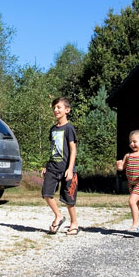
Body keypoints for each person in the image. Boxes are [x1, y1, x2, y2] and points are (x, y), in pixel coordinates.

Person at [40, 96, 79, 235]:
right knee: (46, 193)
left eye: (59, 107)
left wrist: (70, 168)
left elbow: (73, 149)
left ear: (67, 110)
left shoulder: (69, 128)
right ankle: (59, 216)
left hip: (66, 169)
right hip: (53, 167)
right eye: (54, 107)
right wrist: (46, 165)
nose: (56, 110)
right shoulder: (53, 129)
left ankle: (74, 223)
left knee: (69, 199)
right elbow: (53, 149)